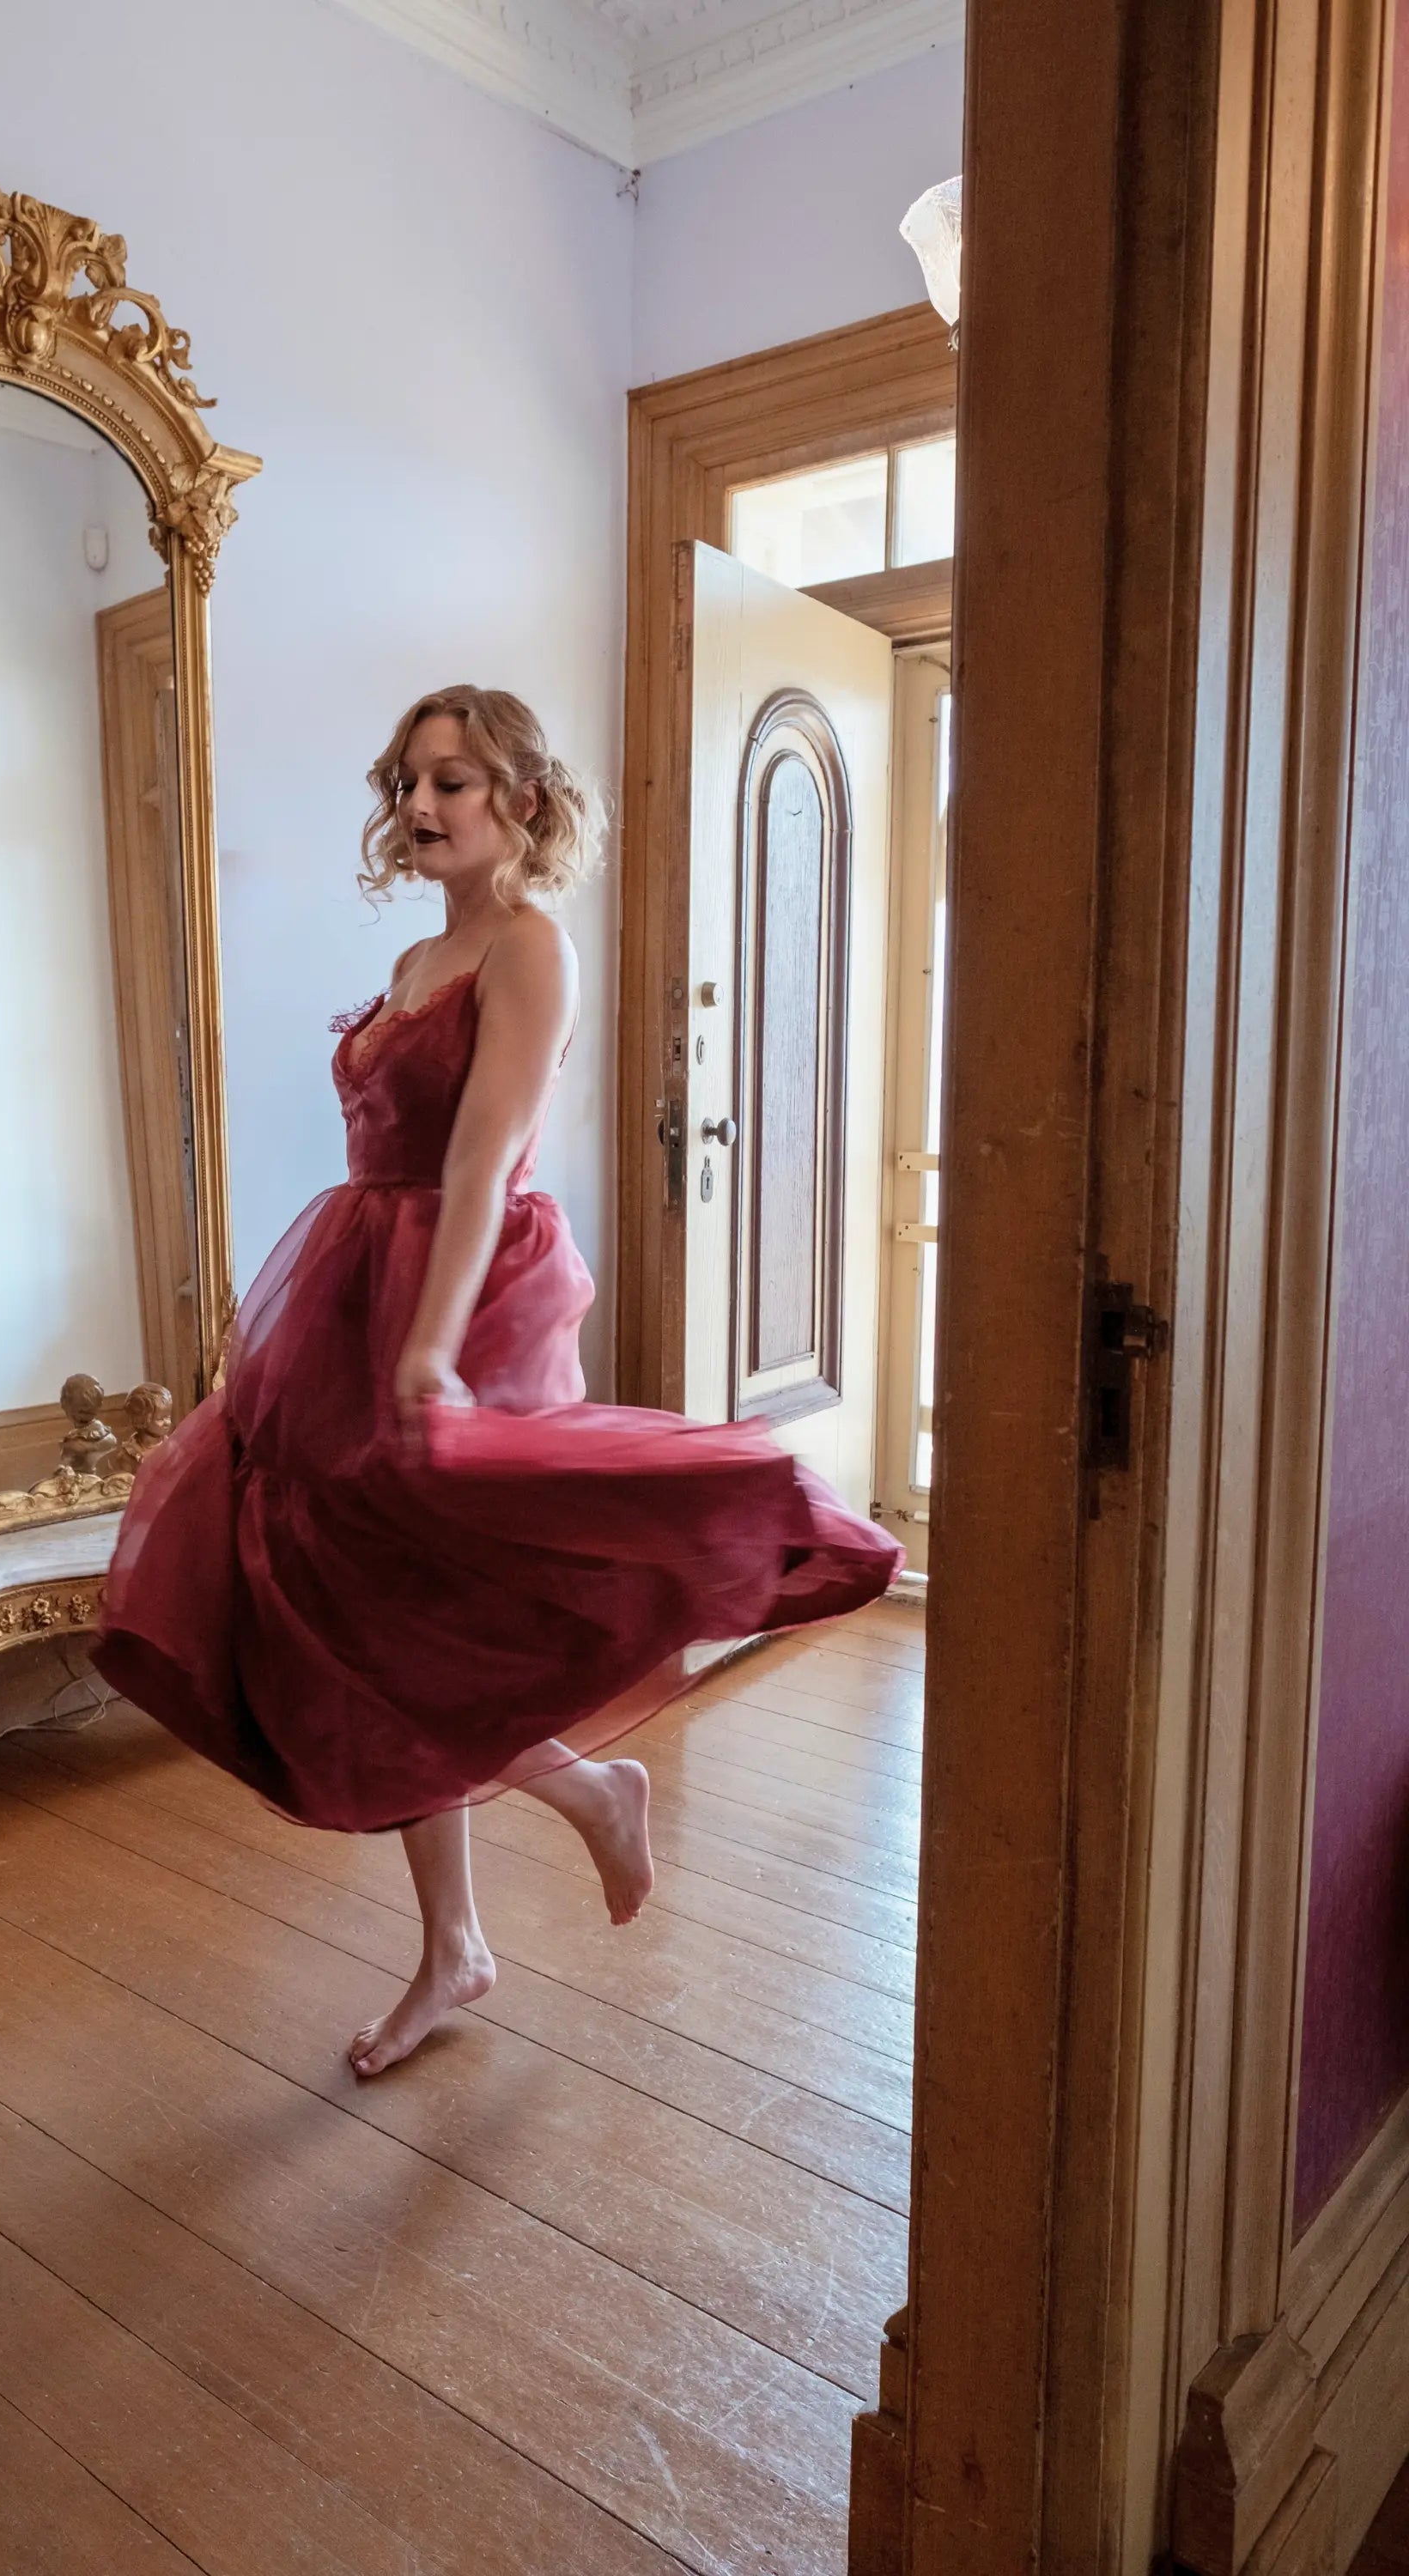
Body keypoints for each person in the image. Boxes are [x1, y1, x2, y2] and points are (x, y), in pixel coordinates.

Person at [93, 684, 903, 2077]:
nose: (418, 808)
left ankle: (577, 1807)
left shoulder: (529, 947)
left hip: (467, 1287)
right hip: (356, 1271)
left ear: (520, 798)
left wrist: (425, 1341)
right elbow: (383, 1155)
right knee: (374, 1607)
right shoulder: (425, 955)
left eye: (451, 783)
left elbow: (480, 1164)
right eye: (409, 781)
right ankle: (472, 1929)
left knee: (415, 1602)